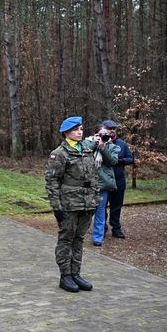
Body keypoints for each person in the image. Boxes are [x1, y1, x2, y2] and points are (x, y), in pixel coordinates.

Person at [45, 116, 100, 292]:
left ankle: (76, 273)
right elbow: (52, 181)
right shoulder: (60, 153)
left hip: (86, 203)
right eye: (76, 129)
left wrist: (95, 199)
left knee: (79, 239)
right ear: (66, 132)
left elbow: (93, 177)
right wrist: (56, 207)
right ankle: (65, 276)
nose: (80, 132)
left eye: (81, 129)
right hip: (69, 204)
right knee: (66, 239)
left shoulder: (87, 149)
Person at [83, 125, 119, 246]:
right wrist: (94, 143)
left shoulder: (112, 146)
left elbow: (112, 162)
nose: (104, 137)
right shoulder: (86, 143)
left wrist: (103, 148)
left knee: (100, 211)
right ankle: (79, 234)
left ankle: (97, 238)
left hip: (102, 184)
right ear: (95, 134)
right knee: (85, 210)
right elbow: (83, 156)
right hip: (87, 183)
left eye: (106, 135)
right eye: (101, 134)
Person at [101, 120, 135, 239]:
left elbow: (131, 159)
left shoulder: (122, 144)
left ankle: (116, 228)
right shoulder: (99, 142)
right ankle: (102, 229)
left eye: (114, 128)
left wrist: (121, 161)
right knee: (102, 206)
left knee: (116, 206)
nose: (112, 130)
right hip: (103, 179)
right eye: (109, 128)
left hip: (118, 179)